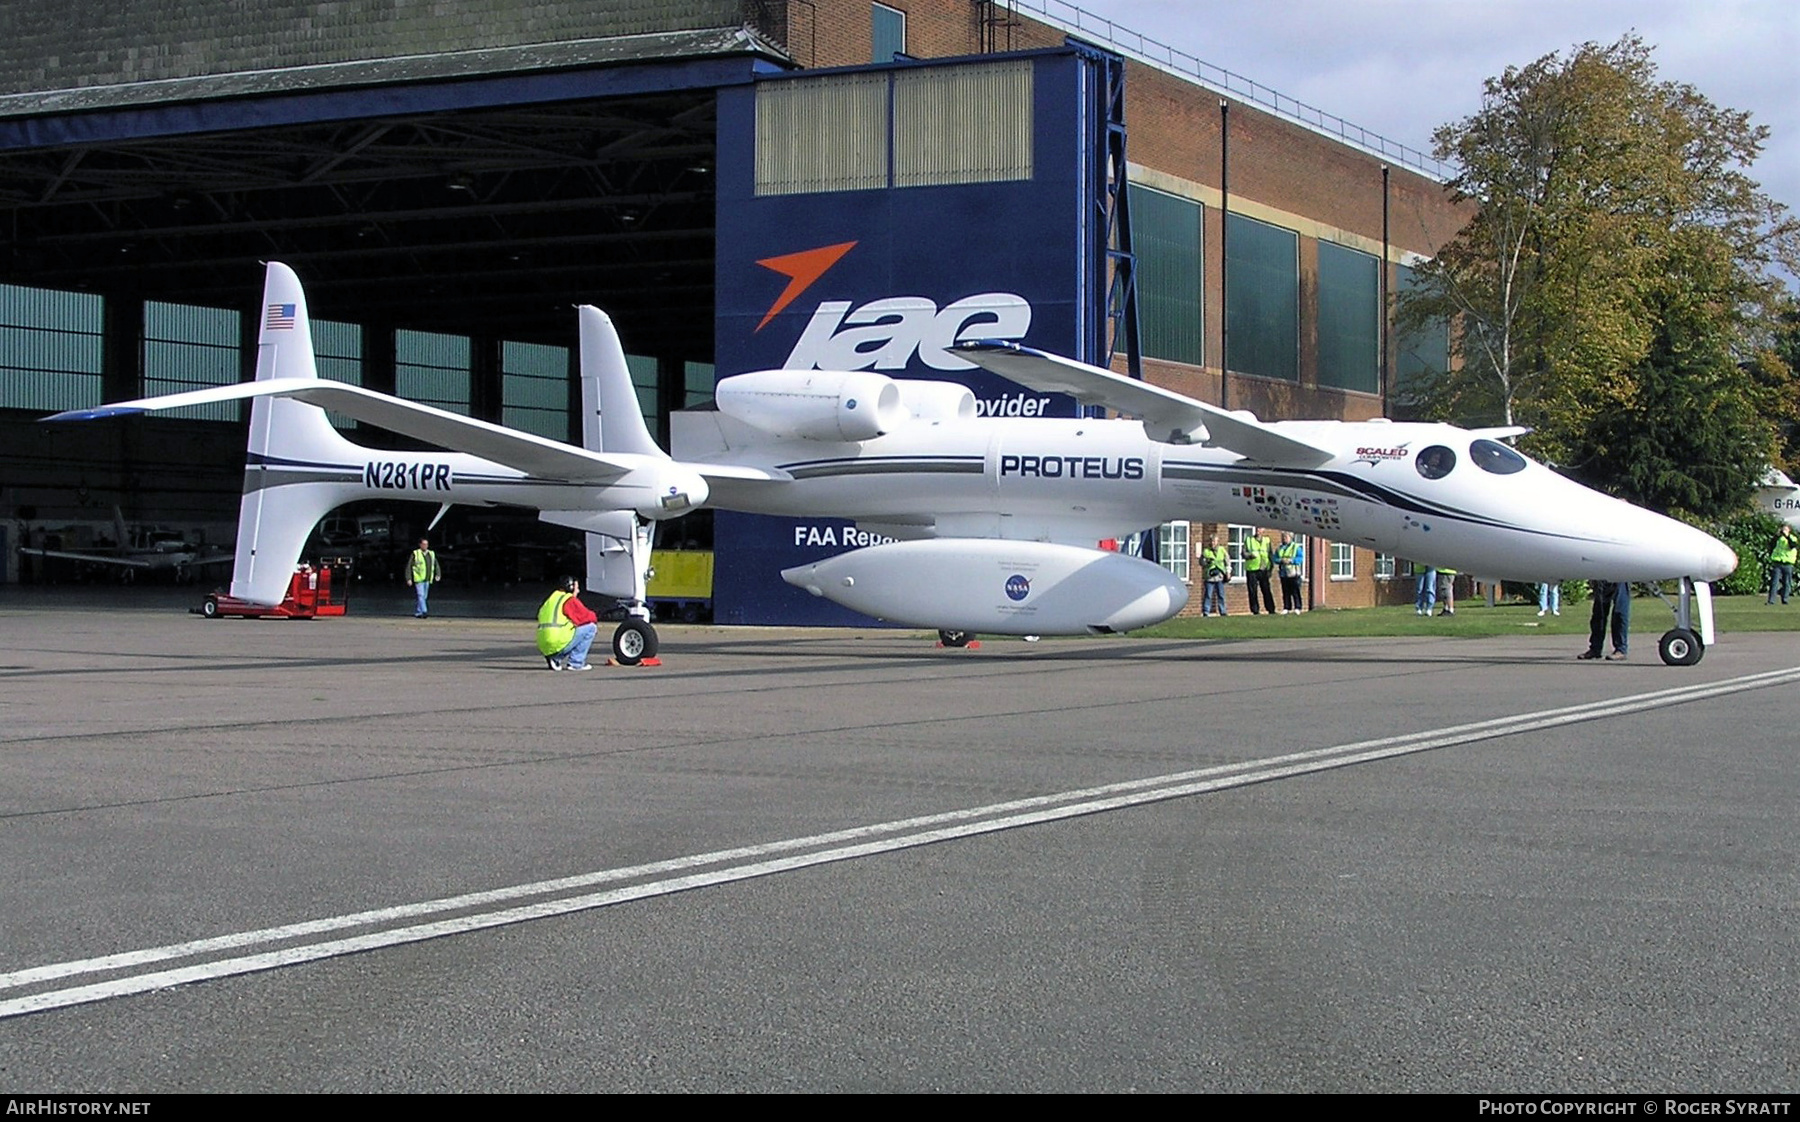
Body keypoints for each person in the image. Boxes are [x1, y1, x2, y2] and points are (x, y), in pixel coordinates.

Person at [536, 575, 599, 671]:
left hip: (544, 644)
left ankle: (555, 658)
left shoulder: (551, 599)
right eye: (577, 588)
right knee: (591, 627)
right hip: (556, 642)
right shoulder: (568, 600)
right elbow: (587, 617)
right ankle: (576, 663)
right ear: (570, 588)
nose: (578, 591)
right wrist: (597, 614)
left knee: (571, 627)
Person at [1579, 580, 1631, 660]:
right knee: (1598, 612)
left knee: (1619, 612)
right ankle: (1595, 649)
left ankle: (1620, 649)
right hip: (1603, 575)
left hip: (1621, 574)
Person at [1243, 527, 1275, 616]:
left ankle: (1271, 609)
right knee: (1253, 591)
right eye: (1257, 528)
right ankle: (1255, 610)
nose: (1258, 530)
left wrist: (1271, 568)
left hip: (1264, 569)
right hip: (1252, 569)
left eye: (1260, 528)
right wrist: (1249, 555)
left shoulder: (1267, 541)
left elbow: (1270, 555)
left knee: (1266, 590)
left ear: (1263, 530)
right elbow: (1243, 553)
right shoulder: (1249, 540)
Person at [407, 537, 441, 618]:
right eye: (424, 544)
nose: (425, 546)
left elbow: (436, 564)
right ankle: (424, 611)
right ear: (420, 545)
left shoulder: (431, 554)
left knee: (424, 596)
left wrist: (438, 574)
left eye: (426, 544)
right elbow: (409, 566)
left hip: (427, 578)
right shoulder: (415, 554)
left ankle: (419, 612)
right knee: (421, 595)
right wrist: (408, 578)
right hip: (419, 579)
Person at [1766, 525, 1797, 605]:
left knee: (1787, 583)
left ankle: (1785, 599)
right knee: (1774, 582)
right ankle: (1771, 600)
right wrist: (1777, 535)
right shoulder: (1778, 539)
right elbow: (1771, 544)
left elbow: (1792, 545)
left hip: (1788, 563)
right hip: (1778, 563)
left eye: (1785, 529)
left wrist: (1787, 536)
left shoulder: (1793, 538)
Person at [1275, 532, 1305, 614]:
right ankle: (1286, 607)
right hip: (1283, 573)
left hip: (1293, 573)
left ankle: (1298, 607)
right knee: (1285, 591)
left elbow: (1300, 558)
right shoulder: (1279, 548)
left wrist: (1291, 561)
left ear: (1290, 537)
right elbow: (1275, 558)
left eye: (1286, 537)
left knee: (1295, 591)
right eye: (1283, 537)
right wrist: (1281, 560)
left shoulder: (1296, 547)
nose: (1284, 538)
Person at [1200, 539, 1229, 616]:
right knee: (1208, 595)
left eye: (1214, 541)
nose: (1212, 543)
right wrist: (1206, 561)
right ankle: (1206, 611)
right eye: (1211, 541)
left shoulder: (1222, 550)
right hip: (1209, 576)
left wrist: (1228, 572)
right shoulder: (1206, 551)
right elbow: (1201, 562)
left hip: (1219, 576)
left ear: (1217, 542)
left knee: (1221, 595)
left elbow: (1227, 561)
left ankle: (1223, 611)